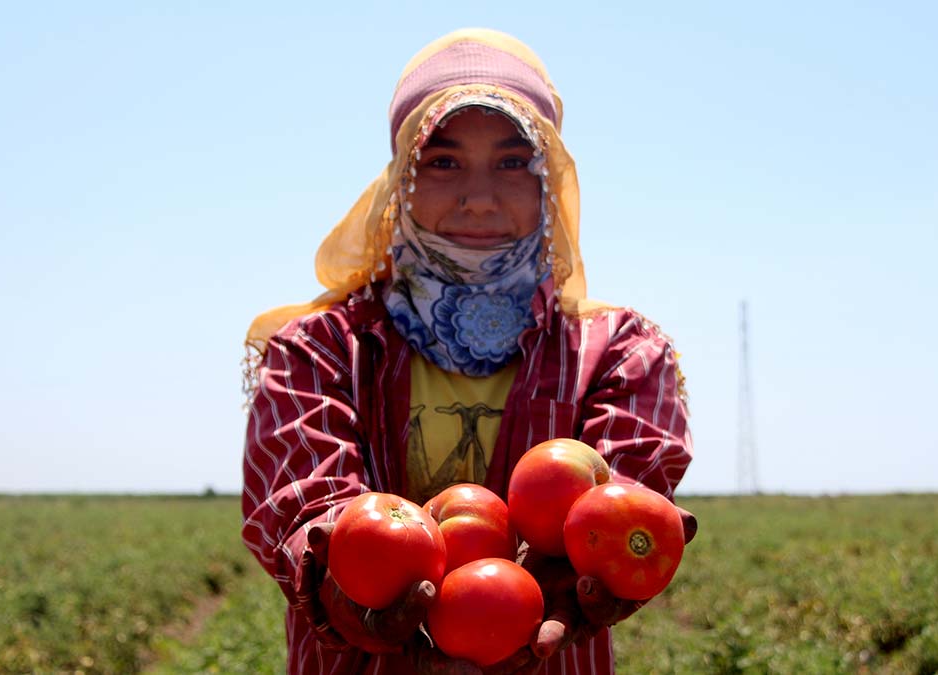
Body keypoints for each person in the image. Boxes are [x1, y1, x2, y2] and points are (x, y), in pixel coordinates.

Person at [241, 28, 695, 674]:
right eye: (444, 161)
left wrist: (604, 555)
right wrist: (351, 589)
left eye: (513, 162)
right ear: (402, 178)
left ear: (549, 181)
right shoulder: (317, 351)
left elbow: (620, 506)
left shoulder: (618, 351)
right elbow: (301, 505)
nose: (478, 197)